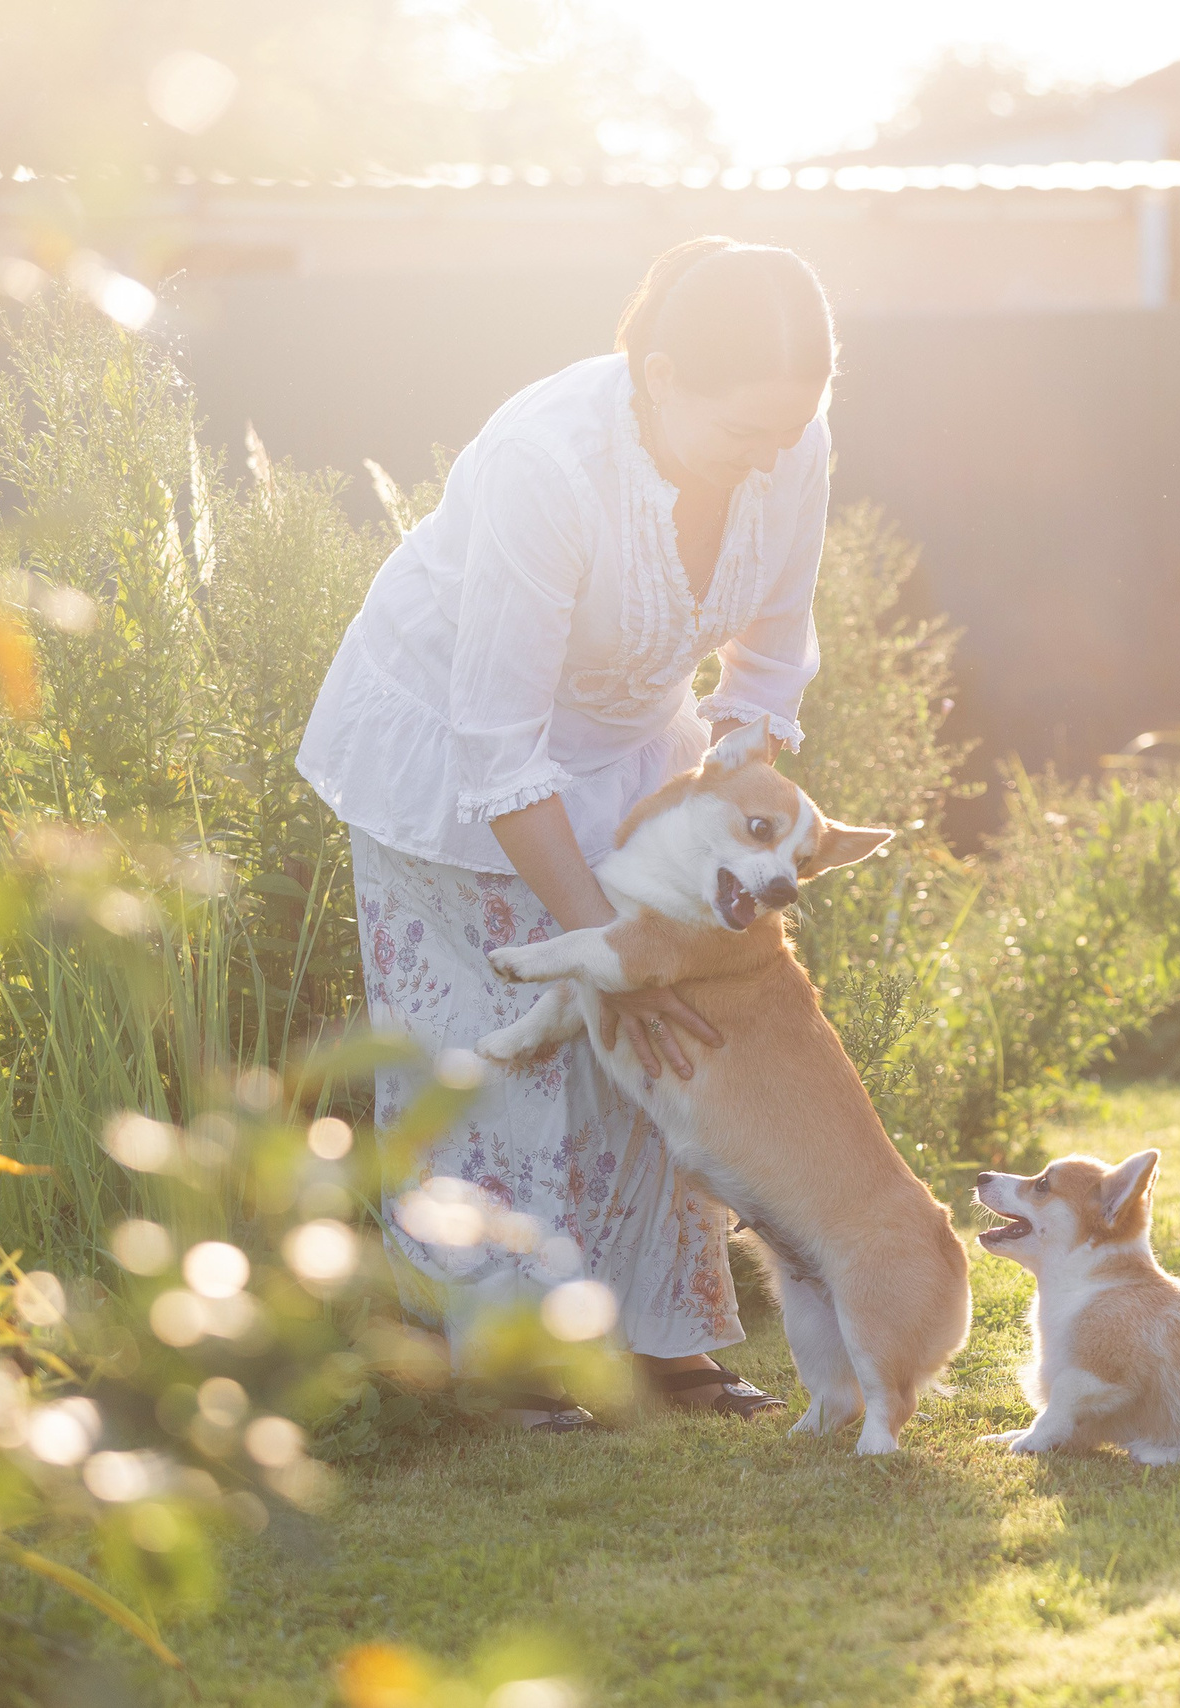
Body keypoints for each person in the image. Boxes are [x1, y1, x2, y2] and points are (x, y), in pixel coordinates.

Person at [296, 237, 837, 1428]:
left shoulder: (789, 443)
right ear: (656, 375)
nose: (770, 458)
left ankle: (661, 1341)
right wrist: (613, 946)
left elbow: (770, 654)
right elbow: (498, 748)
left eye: (788, 432)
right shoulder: (548, 463)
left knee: (660, 1042)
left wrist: (727, 806)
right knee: (507, 1053)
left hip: (638, 750)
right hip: (453, 758)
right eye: (743, 432)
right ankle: (511, 1362)